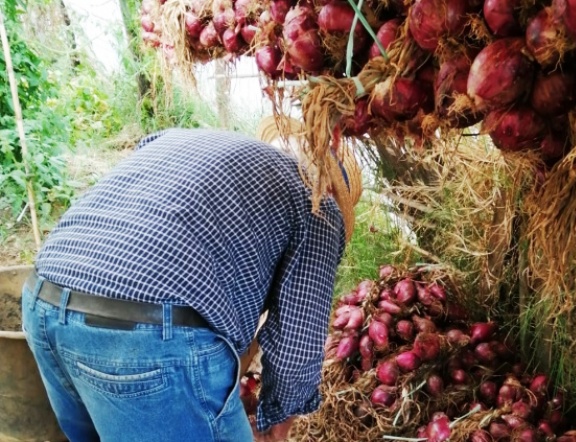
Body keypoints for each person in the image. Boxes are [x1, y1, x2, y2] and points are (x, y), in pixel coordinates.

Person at [21, 123, 362, 442]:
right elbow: (295, 355)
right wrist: (276, 424)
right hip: (141, 340)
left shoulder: (180, 141)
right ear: (332, 187)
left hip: (43, 298)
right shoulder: (319, 206)